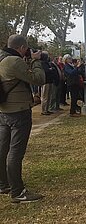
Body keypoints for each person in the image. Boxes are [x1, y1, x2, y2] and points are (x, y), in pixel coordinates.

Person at [0, 34, 45, 203]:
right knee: (15, 152)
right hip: (18, 111)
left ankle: (3, 183)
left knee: (2, 149)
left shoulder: (2, 58)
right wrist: (36, 61)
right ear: (22, 48)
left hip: (3, 111)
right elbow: (38, 79)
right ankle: (18, 192)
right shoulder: (13, 61)